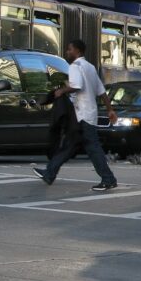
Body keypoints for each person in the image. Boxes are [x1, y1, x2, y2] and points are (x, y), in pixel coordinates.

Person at [33, 39, 118, 191]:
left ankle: (108, 179)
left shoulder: (75, 66)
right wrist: (110, 110)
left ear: (77, 51)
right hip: (87, 114)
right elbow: (102, 92)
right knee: (69, 146)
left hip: (83, 115)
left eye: (69, 49)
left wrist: (61, 91)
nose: (67, 52)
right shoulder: (90, 67)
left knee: (93, 148)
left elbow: (76, 86)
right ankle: (49, 173)